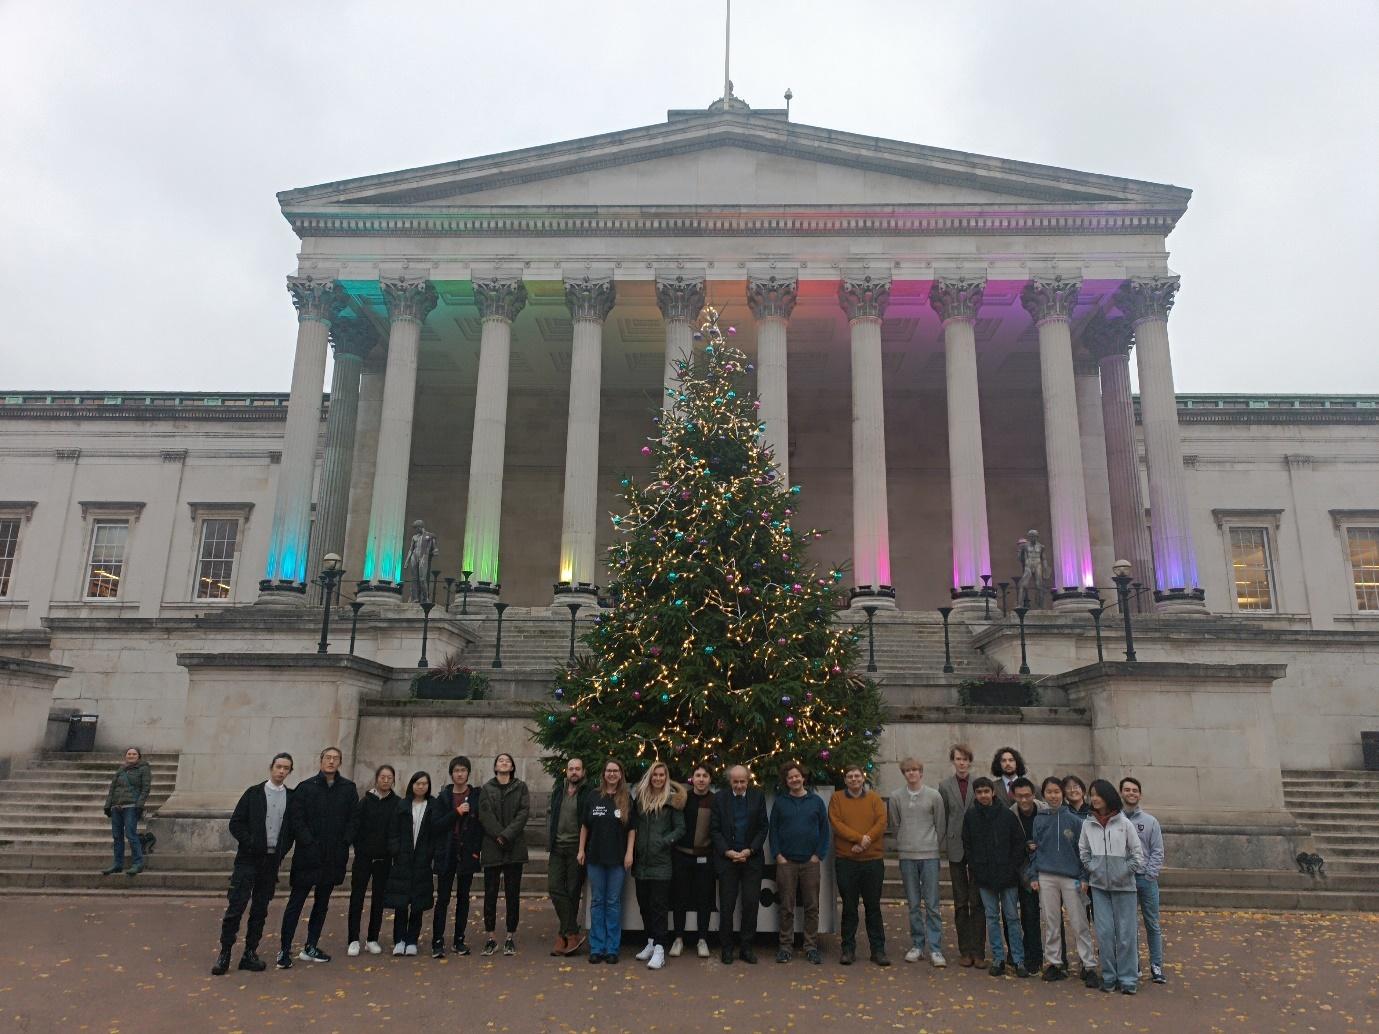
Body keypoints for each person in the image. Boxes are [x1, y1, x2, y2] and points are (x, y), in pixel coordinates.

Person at [212, 752, 295, 976]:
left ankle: (250, 952)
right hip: (248, 859)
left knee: (260, 909)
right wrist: (251, 843)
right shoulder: (254, 793)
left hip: (270, 862)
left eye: (286, 768)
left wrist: (280, 851)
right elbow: (236, 823)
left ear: (289, 772)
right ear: (271, 768)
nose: (281, 771)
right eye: (278, 766)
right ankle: (225, 952)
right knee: (236, 905)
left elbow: (291, 830)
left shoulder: (292, 797)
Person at [277, 746, 357, 968]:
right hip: (308, 855)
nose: (331, 762)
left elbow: (353, 819)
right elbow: (296, 819)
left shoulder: (348, 789)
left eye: (335, 758)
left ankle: (311, 945)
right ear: (320, 760)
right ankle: (285, 948)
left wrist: (344, 842)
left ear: (340, 762)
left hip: (333, 856)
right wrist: (308, 842)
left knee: (322, 903)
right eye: (328, 758)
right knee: (297, 902)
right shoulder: (306, 788)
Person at [1079, 779, 1146, 995]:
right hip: (1099, 888)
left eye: (1098, 794)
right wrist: (1094, 869)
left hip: (1124, 888)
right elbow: (1084, 851)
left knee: (1126, 935)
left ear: (1108, 796)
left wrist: (1123, 871)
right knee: (1105, 933)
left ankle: (1128, 978)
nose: (1094, 798)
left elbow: (1137, 854)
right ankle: (1109, 976)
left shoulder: (1124, 823)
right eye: (1092, 794)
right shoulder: (1087, 823)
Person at [1030, 776, 1096, 986]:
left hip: (1072, 877)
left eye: (1057, 792)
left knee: (1079, 922)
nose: (1053, 795)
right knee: (1051, 922)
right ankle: (1055, 962)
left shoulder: (1076, 822)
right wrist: (1033, 875)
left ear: (1063, 794)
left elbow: (1083, 852)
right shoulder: (1039, 819)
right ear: (1044, 795)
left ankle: (1089, 964)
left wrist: (1084, 876)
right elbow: (1035, 849)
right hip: (1046, 876)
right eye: (1049, 792)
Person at [962, 776, 1027, 977]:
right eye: (979, 792)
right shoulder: (971, 817)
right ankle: (998, 958)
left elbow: (1018, 844)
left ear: (993, 792)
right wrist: (977, 869)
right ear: (976, 794)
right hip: (984, 876)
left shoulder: (1007, 816)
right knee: (991, 917)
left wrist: (1011, 868)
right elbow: (968, 846)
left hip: (1007, 876)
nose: (983, 795)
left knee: (1012, 917)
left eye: (986, 791)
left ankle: (1018, 959)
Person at [768, 761, 830, 965]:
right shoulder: (780, 802)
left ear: (803, 777)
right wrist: (778, 855)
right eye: (790, 777)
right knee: (786, 906)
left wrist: (818, 855)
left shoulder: (816, 802)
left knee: (812, 906)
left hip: (810, 862)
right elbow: (773, 830)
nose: (794, 780)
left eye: (797, 776)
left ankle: (810, 946)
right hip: (786, 862)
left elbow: (824, 831)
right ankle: (785, 947)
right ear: (786, 782)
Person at [829, 763, 890, 967]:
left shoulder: (874, 798)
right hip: (847, 861)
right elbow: (836, 823)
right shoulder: (837, 798)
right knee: (849, 907)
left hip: (872, 861)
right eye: (849, 776)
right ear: (845, 780)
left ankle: (878, 950)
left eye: (857, 776)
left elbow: (881, 822)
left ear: (863, 778)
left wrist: (865, 842)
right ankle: (847, 949)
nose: (854, 779)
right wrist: (858, 839)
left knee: (873, 907)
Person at [889, 757, 947, 966]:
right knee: (913, 904)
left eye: (915, 770)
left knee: (932, 903)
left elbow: (940, 824)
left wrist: (933, 844)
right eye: (908, 771)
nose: (912, 773)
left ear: (921, 772)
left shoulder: (934, 796)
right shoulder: (896, 797)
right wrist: (904, 841)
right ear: (904, 774)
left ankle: (936, 948)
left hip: (929, 854)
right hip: (907, 855)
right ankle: (917, 945)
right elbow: (895, 824)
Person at [709, 764, 769, 964]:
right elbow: (715, 829)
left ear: (748, 780)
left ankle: (746, 947)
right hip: (727, 860)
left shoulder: (757, 797)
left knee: (751, 904)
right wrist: (727, 851)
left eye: (743, 781)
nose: (739, 785)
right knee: (726, 906)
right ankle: (727, 948)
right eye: (735, 781)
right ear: (730, 781)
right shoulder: (719, 798)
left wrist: (749, 850)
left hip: (751, 859)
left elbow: (763, 828)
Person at [580, 758, 637, 964]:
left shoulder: (627, 798)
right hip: (595, 857)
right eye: (608, 771)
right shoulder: (593, 796)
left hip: (617, 860)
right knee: (597, 902)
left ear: (621, 774)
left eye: (615, 771)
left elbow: (632, 829)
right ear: (603, 774)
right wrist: (581, 850)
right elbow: (585, 826)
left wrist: (629, 853)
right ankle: (597, 947)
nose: (612, 774)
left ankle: (612, 948)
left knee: (612, 903)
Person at [632, 761, 686, 970]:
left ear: (666, 777)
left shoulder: (672, 801)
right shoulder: (641, 800)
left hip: (662, 863)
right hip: (641, 862)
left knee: (659, 907)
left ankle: (661, 949)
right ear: (650, 777)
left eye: (662, 775)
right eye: (655, 775)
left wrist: (664, 842)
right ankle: (651, 943)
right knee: (644, 905)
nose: (658, 778)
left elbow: (680, 829)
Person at [477, 752, 530, 957]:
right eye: (500, 760)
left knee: (512, 894)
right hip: (492, 847)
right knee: (490, 893)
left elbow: (523, 813)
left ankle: (510, 936)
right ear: (495, 766)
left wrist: (506, 835)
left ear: (513, 766)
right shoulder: (486, 789)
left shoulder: (521, 787)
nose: (504, 762)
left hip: (514, 847)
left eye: (507, 760)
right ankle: (491, 937)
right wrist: (498, 835)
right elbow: (484, 814)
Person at [938, 743, 985, 967]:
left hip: (977, 848)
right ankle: (964, 950)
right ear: (953, 761)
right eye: (958, 759)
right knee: (960, 902)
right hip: (956, 847)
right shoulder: (945, 786)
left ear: (970, 761)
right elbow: (943, 816)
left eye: (965, 759)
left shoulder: (980, 785)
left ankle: (979, 950)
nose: (962, 763)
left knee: (977, 901)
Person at [432, 754, 483, 958]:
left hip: (467, 852)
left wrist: (476, 849)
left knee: (464, 897)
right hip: (447, 850)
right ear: (451, 774)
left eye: (463, 770)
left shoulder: (476, 797)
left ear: (468, 773)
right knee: (443, 898)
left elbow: (480, 825)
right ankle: (437, 941)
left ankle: (459, 940)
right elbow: (436, 825)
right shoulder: (443, 798)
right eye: (456, 771)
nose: (460, 774)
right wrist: (457, 812)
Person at [385, 771, 439, 955]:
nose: (421, 786)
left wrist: (429, 853)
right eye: (418, 783)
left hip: (422, 860)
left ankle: (412, 940)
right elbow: (393, 830)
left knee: (418, 902)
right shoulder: (402, 804)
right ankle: (399, 939)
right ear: (412, 784)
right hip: (403, 859)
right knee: (401, 902)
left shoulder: (432, 805)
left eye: (424, 783)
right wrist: (396, 851)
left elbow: (435, 832)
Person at [1120, 776, 1167, 985]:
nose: (1131, 793)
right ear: (1121, 793)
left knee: (1152, 923)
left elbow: (1157, 851)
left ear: (1139, 794)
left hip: (1146, 879)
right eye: (1127, 790)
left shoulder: (1150, 821)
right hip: (1124, 880)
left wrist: (1149, 874)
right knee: (1129, 925)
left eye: (1135, 790)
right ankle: (1134, 964)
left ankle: (1156, 966)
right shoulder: (1116, 820)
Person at [347, 765, 397, 956]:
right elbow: (355, 826)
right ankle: (353, 939)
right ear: (376, 779)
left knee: (379, 899)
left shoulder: (396, 803)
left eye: (389, 777)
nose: (386, 780)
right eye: (382, 777)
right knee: (357, 898)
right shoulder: (365, 802)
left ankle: (372, 938)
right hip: (364, 857)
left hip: (384, 859)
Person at [669, 763, 716, 959]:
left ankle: (702, 939)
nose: (701, 779)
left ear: (710, 779)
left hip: (705, 857)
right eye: (698, 775)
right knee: (680, 898)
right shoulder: (683, 798)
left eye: (705, 775)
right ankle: (678, 938)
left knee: (704, 899)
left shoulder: (716, 801)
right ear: (692, 778)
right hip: (681, 855)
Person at [547, 757, 592, 957]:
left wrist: (584, 848)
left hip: (577, 848)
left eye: (577, 769)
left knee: (573, 892)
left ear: (583, 772)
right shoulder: (559, 791)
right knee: (555, 887)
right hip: (557, 847)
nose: (574, 772)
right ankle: (571, 931)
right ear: (566, 772)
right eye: (571, 769)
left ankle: (564, 936)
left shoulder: (588, 794)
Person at [1009, 777, 1047, 972]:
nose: (1024, 800)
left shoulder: (1045, 811)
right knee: (1027, 914)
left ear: (1033, 795)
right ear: (1013, 796)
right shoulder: (1010, 815)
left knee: (1048, 915)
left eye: (1027, 796)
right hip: (1022, 869)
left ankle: (1043, 956)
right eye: (1019, 796)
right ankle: (1028, 954)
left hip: (1046, 866)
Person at [101, 746, 151, 876]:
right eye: (129, 754)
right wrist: (108, 805)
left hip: (131, 806)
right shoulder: (121, 770)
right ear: (125, 756)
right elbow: (112, 788)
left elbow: (146, 788)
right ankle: (117, 864)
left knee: (131, 834)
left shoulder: (143, 769)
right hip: (116, 806)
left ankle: (138, 863)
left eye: (134, 754)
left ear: (139, 756)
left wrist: (139, 805)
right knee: (117, 836)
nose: (131, 756)